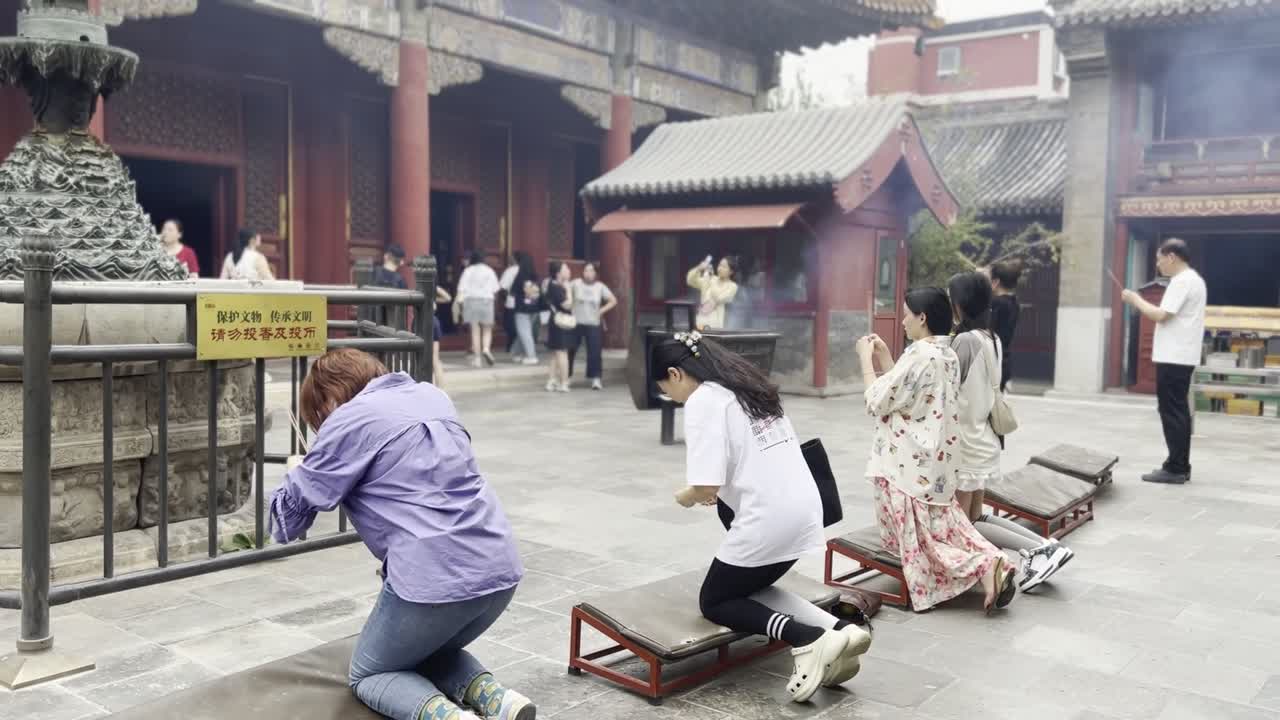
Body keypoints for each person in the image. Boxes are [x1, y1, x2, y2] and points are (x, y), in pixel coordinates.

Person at [268, 349, 533, 720]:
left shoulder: (347, 419)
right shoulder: (432, 395)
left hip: (434, 583)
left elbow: (287, 522)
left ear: (330, 397)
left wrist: (298, 469)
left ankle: (451, 718)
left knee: (370, 673)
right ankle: (500, 701)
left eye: (317, 414)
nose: (320, 423)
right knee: (426, 650)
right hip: (500, 571)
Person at [655, 332, 872, 702]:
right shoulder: (745, 388)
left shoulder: (703, 401)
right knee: (750, 588)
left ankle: (809, 640)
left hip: (769, 519)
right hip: (805, 511)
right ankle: (837, 629)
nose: (668, 396)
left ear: (675, 374)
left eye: (664, 388)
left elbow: (705, 485)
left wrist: (686, 496)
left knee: (716, 600)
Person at [857, 287, 1015, 614]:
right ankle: (994, 562)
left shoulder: (919, 354)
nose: (902, 321)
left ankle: (984, 567)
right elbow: (908, 391)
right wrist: (887, 358)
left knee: (925, 545)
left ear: (922, 317)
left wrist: (865, 360)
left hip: (907, 465)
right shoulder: (946, 353)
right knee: (947, 530)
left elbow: (878, 399)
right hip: (938, 463)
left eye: (906, 314)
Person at [948, 272, 1071, 593]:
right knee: (976, 517)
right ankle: (1045, 546)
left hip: (966, 441)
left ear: (959, 303)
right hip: (984, 437)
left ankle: (1035, 551)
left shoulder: (964, 341)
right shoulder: (992, 338)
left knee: (964, 522)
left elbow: (946, 387)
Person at [1122, 237, 1207, 485]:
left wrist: (1135, 299)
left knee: (1173, 411)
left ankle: (1177, 467)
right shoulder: (1194, 280)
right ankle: (1178, 464)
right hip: (1180, 355)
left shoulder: (1182, 282)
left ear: (1171, 257)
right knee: (1176, 409)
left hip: (1175, 356)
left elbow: (1161, 315)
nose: (1158, 265)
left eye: (1160, 259)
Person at [370, 245, 450, 388]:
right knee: (431, 359)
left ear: (386, 256)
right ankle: (437, 391)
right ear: (400, 261)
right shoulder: (402, 281)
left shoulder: (374, 274)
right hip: (396, 324)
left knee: (422, 359)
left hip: (374, 321)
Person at [568, 261, 616, 390]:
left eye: (591, 271)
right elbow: (564, 292)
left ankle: (596, 378)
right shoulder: (575, 284)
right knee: (570, 350)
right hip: (576, 322)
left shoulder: (600, 287)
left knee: (594, 352)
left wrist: (601, 310)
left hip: (593, 323)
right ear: (582, 272)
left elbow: (613, 300)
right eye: (586, 271)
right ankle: (567, 376)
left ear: (595, 273)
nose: (588, 273)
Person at [457, 251, 501, 368]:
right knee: (487, 329)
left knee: (475, 330)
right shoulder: (489, 270)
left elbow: (461, 288)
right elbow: (496, 289)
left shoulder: (468, 271)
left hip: (471, 301)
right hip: (486, 300)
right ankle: (486, 349)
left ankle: (477, 359)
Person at [987, 260, 1022, 392]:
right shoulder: (1014, 303)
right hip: (1003, 361)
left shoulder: (996, 304)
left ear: (995, 282)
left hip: (991, 362)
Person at [543, 261, 573, 392]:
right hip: (561, 323)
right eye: (566, 268)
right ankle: (564, 382)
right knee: (562, 353)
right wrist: (569, 291)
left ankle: (551, 381)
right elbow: (567, 305)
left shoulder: (551, 284)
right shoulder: (558, 288)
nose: (569, 270)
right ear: (558, 273)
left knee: (555, 353)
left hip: (555, 321)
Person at [686, 256, 739, 330]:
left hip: (715, 327)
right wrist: (699, 268)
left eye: (724, 266)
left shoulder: (732, 286)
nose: (720, 268)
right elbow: (690, 281)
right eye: (720, 265)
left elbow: (719, 298)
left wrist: (712, 278)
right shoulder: (709, 279)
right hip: (700, 323)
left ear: (731, 271)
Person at [510, 254, 540, 365]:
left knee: (524, 332)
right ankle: (516, 353)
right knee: (524, 332)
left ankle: (531, 356)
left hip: (522, 309)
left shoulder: (520, 276)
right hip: (534, 308)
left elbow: (512, 292)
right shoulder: (535, 277)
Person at [500, 253, 525, 354]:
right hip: (524, 303)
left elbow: (503, 286)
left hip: (512, 302)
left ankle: (511, 346)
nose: (509, 259)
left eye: (511, 258)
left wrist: (505, 299)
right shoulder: (526, 270)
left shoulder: (510, 270)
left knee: (510, 326)